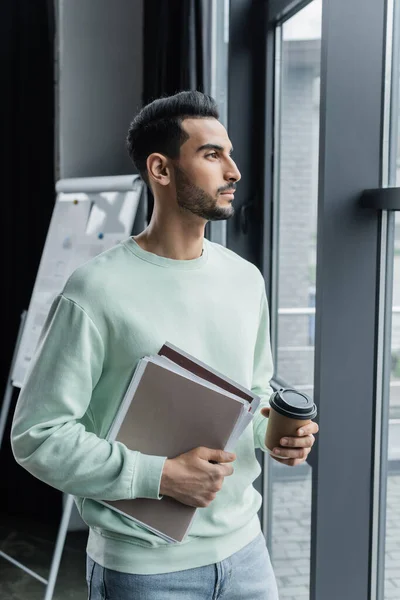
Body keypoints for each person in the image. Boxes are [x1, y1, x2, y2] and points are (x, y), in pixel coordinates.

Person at [11, 90, 318, 599]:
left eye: (230, 153)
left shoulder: (246, 280)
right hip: (144, 572)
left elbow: (255, 393)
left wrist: (279, 434)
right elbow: (38, 436)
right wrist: (160, 476)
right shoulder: (95, 290)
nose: (233, 171)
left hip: (248, 554)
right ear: (161, 168)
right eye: (211, 154)